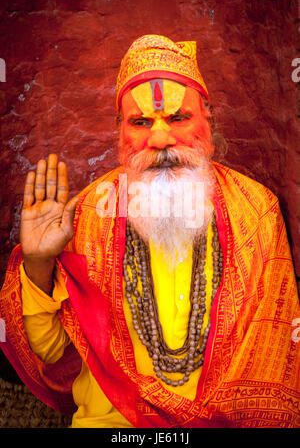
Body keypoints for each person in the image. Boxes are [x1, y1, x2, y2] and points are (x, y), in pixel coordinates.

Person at [0, 35, 299, 428]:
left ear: (208, 117)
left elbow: (275, 363)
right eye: (140, 122)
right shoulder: (89, 213)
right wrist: (38, 265)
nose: (159, 140)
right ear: (120, 131)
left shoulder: (257, 210)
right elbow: (56, 353)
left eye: (178, 118)